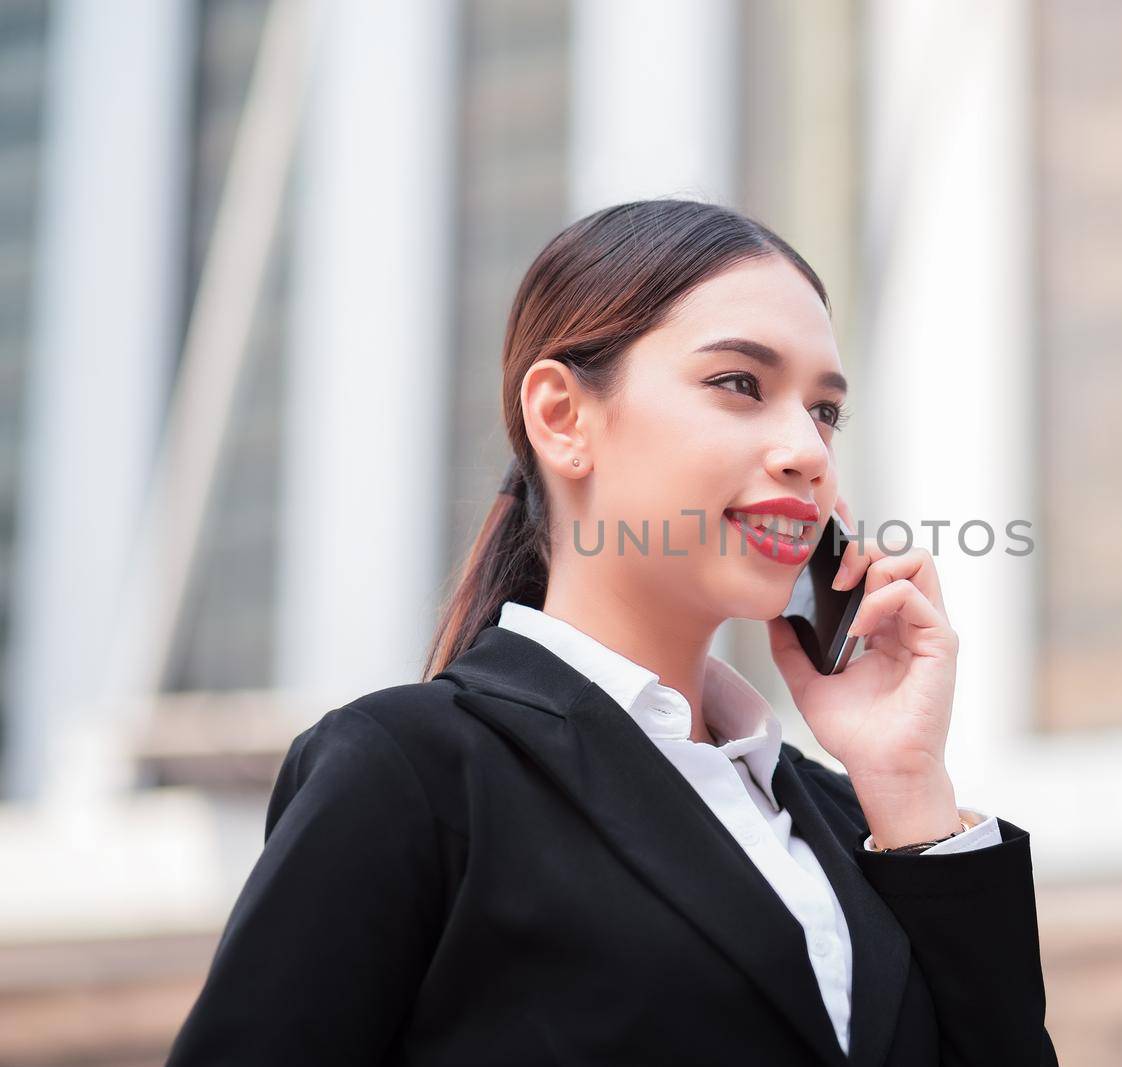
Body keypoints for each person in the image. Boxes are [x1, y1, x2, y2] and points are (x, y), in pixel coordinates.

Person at [166, 198, 1058, 1066]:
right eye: (739, 383)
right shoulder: (414, 770)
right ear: (562, 416)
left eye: (824, 409)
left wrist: (907, 788)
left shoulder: (853, 817)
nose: (808, 451)